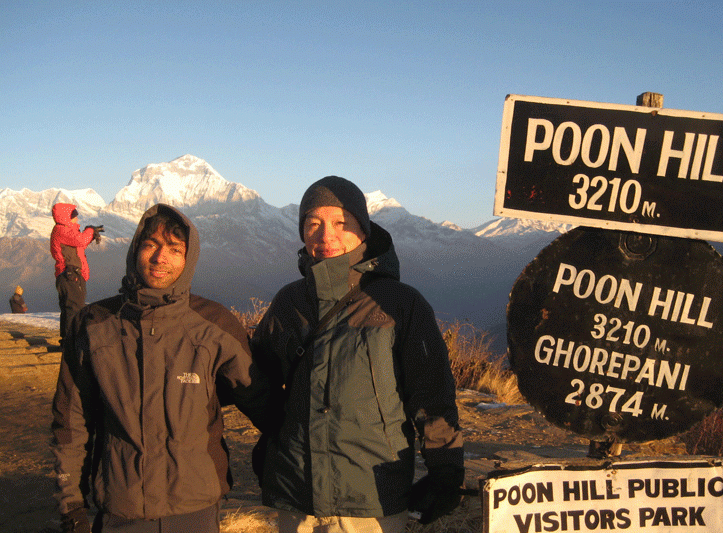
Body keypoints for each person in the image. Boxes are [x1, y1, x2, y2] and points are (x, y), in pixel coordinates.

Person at [250, 176, 464, 533]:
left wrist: (446, 469)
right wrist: (278, 440)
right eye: (313, 223)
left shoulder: (399, 303)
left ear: (363, 230)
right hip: (296, 493)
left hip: (371, 498)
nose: (325, 236)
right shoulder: (289, 302)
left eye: (340, 222)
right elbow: (257, 380)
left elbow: (431, 396)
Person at [51, 203, 271, 533]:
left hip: (195, 505)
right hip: (120, 506)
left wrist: (278, 467)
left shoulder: (213, 325)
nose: (160, 258)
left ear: (189, 257)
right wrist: (72, 506)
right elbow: (70, 422)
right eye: (151, 244)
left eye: (174, 248)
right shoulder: (94, 325)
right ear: (135, 249)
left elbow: (264, 403)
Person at [49, 203, 101, 341]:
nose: (77, 220)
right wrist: (89, 230)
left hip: (69, 274)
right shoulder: (61, 230)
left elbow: (79, 245)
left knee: (69, 309)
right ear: (67, 217)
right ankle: (71, 343)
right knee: (75, 309)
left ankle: (67, 341)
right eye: (74, 217)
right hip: (70, 274)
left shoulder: (64, 231)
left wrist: (90, 235)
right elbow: (81, 240)